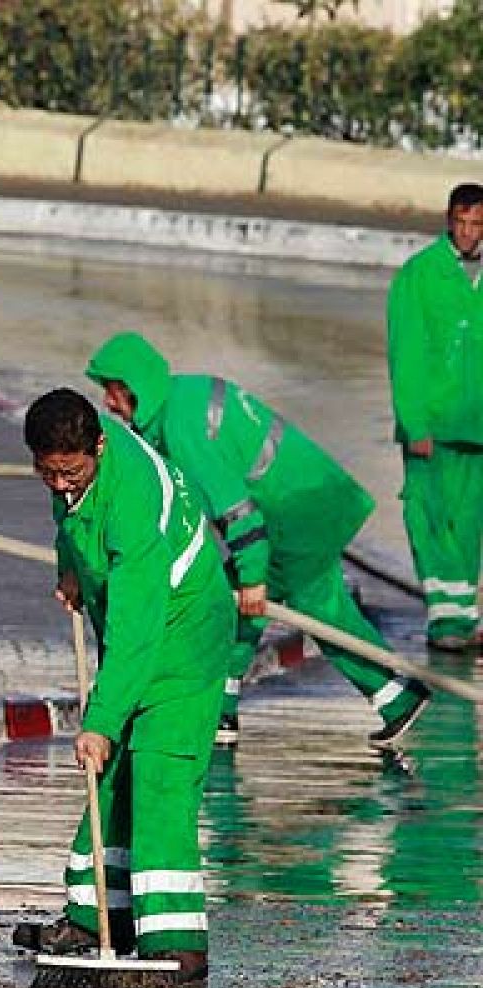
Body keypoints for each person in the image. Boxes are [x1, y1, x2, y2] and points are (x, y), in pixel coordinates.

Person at [86, 331, 430, 751]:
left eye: (111, 391)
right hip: (312, 500)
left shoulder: (179, 428)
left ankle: (221, 710)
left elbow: (237, 510)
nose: (108, 403)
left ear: (132, 387)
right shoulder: (181, 398)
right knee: (322, 611)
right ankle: (396, 698)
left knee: (234, 608)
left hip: (294, 515)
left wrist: (252, 579)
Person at [14, 389, 235, 983]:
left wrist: (101, 721)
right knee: (106, 776)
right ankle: (96, 919)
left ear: (100, 447)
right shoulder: (74, 471)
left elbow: (138, 630)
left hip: (185, 636)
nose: (60, 485)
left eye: (70, 472)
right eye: (48, 473)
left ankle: (176, 943)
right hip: (135, 629)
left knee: (159, 776)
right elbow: (72, 519)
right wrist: (70, 567)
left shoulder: (133, 501)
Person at [387, 182, 483, 652]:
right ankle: (445, 622)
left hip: (476, 426)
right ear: (448, 220)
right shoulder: (419, 274)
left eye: (476, 224)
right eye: (461, 222)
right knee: (428, 517)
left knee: (468, 524)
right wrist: (414, 423)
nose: (467, 232)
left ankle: (463, 619)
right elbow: (405, 355)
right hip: (433, 425)